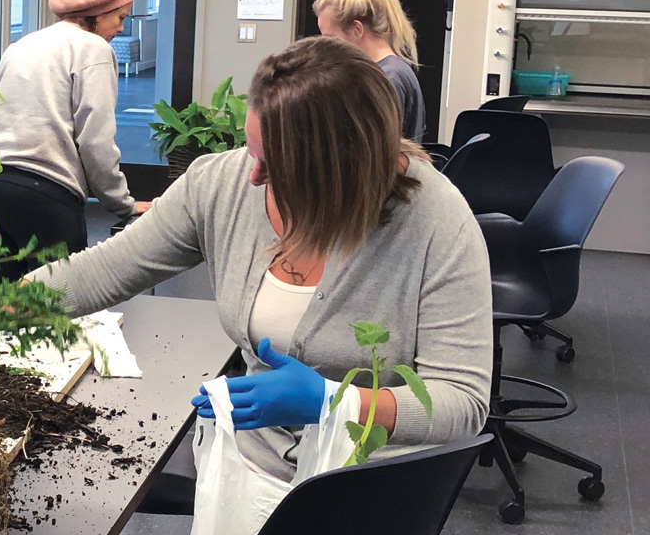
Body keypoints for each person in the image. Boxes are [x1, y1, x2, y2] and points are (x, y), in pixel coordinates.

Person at [26, 37, 491, 508]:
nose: (254, 177)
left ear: (343, 167)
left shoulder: (435, 220)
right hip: (250, 463)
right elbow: (105, 270)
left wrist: (337, 404)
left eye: (279, 166)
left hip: (366, 483)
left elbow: (461, 404)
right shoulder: (221, 184)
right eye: (254, 152)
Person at [0, 0, 151, 281]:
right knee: (60, 308)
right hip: (43, 195)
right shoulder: (93, 48)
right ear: (96, 13)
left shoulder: (24, 44)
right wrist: (124, 205)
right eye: (119, 17)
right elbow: (95, 142)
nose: (121, 28)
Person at [313, 0, 426, 142]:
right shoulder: (384, 72)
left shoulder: (388, 78)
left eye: (330, 38)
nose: (326, 47)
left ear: (357, 29)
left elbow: (375, 152)